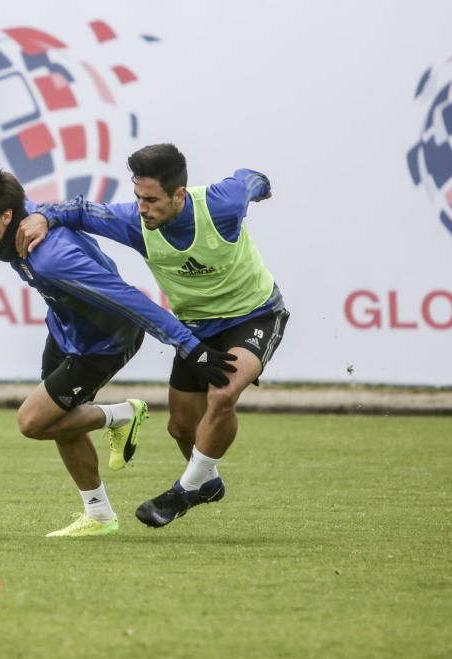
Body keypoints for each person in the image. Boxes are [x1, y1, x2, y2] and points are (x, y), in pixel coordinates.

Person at [0, 162, 237, 539]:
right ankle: (98, 515)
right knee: (59, 422)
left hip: (105, 342)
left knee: (33, 422)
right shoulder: (12, 209)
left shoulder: (54, 258)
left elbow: (130, 300)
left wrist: (191, 347)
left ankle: (122, 415)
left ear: (5, 217)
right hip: (65, 331)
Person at [16, 143, 290, 528]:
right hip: (196, 326)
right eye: (138, 197)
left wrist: (261, 186)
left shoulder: (221, 206)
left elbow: (247, 179)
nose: (143, 208)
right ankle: (207, 483)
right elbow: (78, 210)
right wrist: (43, 216)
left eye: (151, 199)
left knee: (225, 392)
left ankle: (182, 492)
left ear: (179, 194)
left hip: (255, 314)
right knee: (180, 429)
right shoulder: (135, 222)